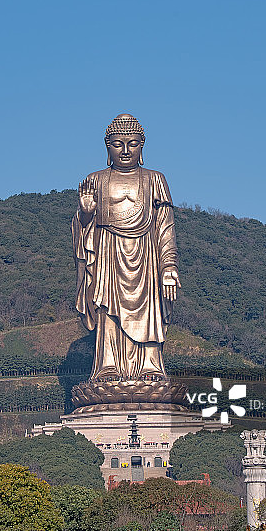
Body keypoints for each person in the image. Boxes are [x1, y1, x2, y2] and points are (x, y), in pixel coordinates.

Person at [72, 113, 180, 382]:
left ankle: (151, 365)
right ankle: (108, 365)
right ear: (107, 147)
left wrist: (168, 267)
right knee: (108, 309)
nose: (125, 150)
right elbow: (80, 227)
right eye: (118, 144)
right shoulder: (95, 180)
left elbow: (165, 227)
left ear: (142, 147)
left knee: (149, 308)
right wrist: (85, 215)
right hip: (108, 251)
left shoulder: (155, 179)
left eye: (132, 144)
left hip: (147, 254)